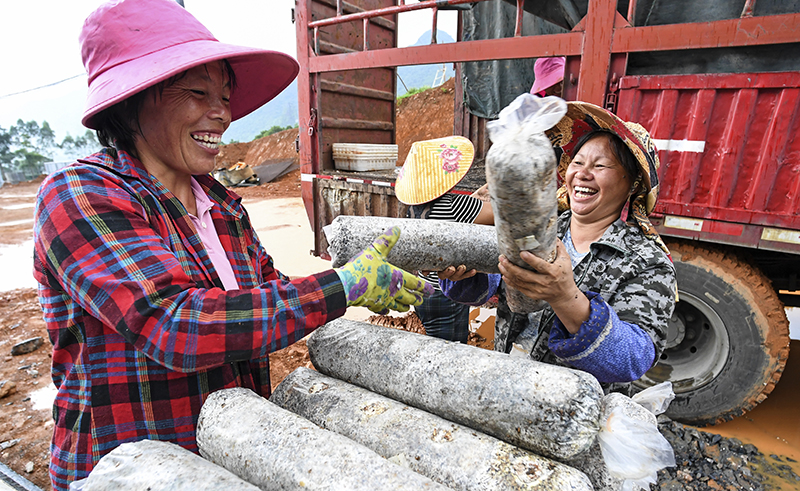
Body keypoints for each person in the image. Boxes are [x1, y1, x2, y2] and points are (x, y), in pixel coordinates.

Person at [32, 1, 431, 489]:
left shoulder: (220, 205)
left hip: (227, 455)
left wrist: (358, 283)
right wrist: (340, 287)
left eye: (224, 96)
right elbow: (176, 324)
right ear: (132, 101)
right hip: (128, 473)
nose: (222, 114)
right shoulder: (80, 194)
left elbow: (266, 295)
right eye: (198, 93)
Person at [439, 102, 676, 392]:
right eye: (578, 162)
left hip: (572, 407)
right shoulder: (538, 227)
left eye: (600, 165)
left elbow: (633, 360)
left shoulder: (647, 262)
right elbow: (489, 287)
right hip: (507, 388)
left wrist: (565, 298)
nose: (583, 174)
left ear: (633, 183)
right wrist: (466, 275)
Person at [395, 136, 493, 343]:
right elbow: (499, 214)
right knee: (452, 346)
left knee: (433, 341)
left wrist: (473, 198)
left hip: (422, 288)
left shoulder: (413, 208)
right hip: (446, 290)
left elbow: (459, 213)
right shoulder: (455, 205)